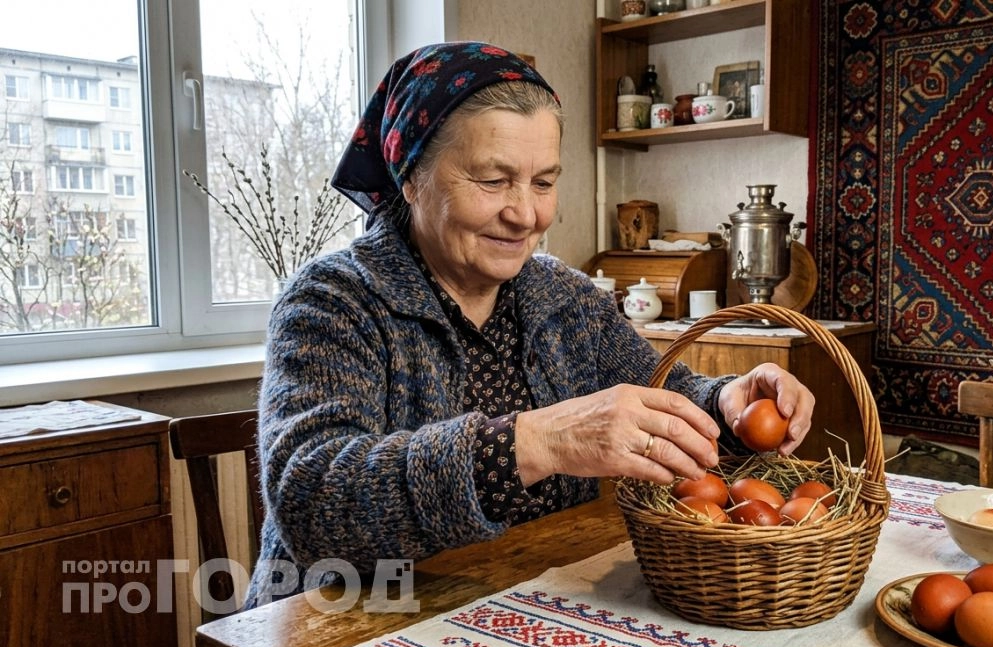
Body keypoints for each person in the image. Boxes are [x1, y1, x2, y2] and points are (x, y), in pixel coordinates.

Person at [245, 41, 815, 608]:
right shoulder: (332, 301)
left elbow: (664, 390)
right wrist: (538, 441)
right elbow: (311, 501)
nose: (526, 214)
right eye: (493, 181)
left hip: (521, 602)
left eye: (543, 182)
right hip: (347, 620)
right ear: (410, 179)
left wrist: (730, 403)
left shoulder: (560, 294)